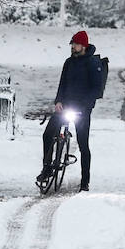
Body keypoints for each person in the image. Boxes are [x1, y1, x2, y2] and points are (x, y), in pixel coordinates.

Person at [38, 30, 102, 192]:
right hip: (65, 106)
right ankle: (47, 169)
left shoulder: (92, 63)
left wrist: (84, 106)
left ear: (83, 46)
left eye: (76, 44)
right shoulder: (69, 62)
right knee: (47, 134)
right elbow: (62, 84)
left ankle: (85, 181)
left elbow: (96, 90)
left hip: (82, 110)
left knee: (83, 144)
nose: (73, 47)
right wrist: (58, 101)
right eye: (72, 44)